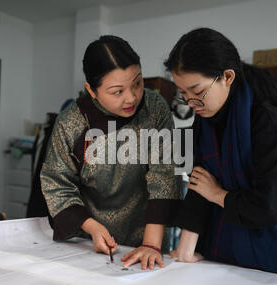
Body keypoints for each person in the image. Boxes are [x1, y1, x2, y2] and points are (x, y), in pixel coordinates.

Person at [164, 28, 277, 283]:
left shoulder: (266, 120)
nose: (191, 103)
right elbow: (199, 182)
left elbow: (270, 207)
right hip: (229, 239)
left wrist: (218, 194)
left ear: (227, 76)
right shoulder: (204, 121)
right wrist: (185, 248)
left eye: (197, 91)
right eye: (184, 94)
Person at [40, 35, 182, 270]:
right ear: (91, 90)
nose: (132, 97)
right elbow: (56, 183)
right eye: (117, 91)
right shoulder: (72, 122)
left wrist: (152, 245)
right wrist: (91, 227)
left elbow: (165, 174)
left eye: (137, 83)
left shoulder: (155, 107)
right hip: (92, 240)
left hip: (149, 233)